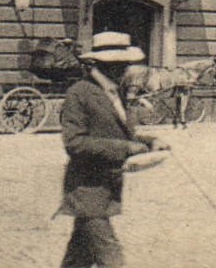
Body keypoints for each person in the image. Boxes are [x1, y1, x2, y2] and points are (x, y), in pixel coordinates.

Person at [58, 31, 169, 268]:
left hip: (107, 185)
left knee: (78, 258)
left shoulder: (115, 92)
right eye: (118, 64)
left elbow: (119, 133)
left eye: (125, 63)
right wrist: (126, 147)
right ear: (101, 64)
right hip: (86, 188)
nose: (125, 69)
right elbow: (74, 143)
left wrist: (150, 141)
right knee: (111, 258)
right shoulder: (80, 92)